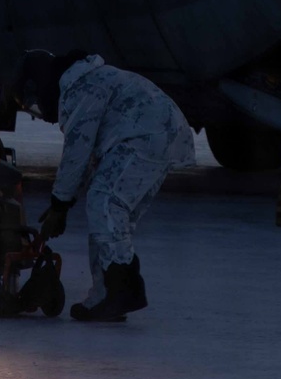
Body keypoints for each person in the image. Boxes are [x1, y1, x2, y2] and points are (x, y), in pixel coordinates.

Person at [13, 50, 195, 322]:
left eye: (36, 103)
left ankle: (124, 289)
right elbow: (87, 160)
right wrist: (63, 205)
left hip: (146, 135)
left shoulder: (81, 89)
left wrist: (59, 206)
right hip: (159, 134)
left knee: (105, 203)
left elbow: (77, 152)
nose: (43, 114)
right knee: (110, 217)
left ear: (41, 84)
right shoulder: (86, 82)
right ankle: (104, 295)